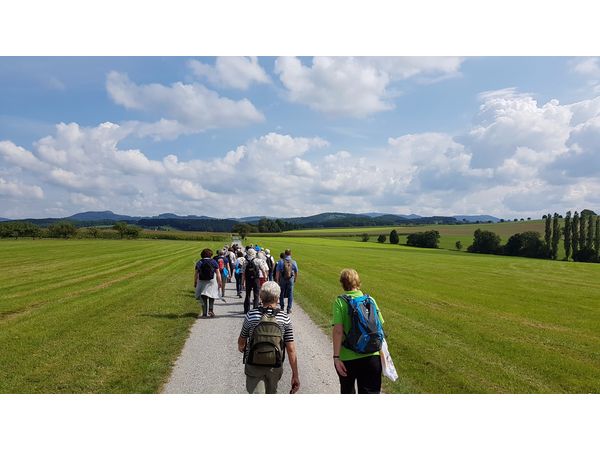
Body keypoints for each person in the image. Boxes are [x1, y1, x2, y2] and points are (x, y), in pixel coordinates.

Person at [237, 281, 300, 394]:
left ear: (261, 296)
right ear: (277, 297)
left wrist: (241, 347)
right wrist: (295, 374)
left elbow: (242, 339)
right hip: (274, 365)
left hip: (253, 364)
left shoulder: (251, 315)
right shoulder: (284, 318)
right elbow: (291, 349)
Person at [332, 268, 384, 394]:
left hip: (348, 357)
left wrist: (336, 357)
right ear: (358, 282)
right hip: (372, 355)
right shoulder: (370, 300)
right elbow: (379, 326)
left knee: (348, 391)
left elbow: (338, 331)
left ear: (343, 283)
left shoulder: (340, 302)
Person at [194, 248, 222, 318]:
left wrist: (195, 282)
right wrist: (219, 282)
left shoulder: (199, 262)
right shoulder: (213, 262)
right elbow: (218, 273)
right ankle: (211, 310)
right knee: (212, 295)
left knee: (203, 296)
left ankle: (204, 313)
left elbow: (196, 273)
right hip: (212, 281)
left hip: (202, 281)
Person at [275, 248, 299, 314]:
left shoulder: (281, 261)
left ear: (285, 254)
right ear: (290, 254)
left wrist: (277, 280)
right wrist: (295, 279)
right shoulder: (293, 262)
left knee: (282, 292)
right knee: (290, 293)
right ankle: (289, 309)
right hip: (290, 279)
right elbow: (296, 271)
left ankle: (282, 307)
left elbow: (277, 272)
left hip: (282, 279)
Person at [242, 248, 261, 314]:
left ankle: (246, 310)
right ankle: (255, 309)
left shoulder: (245, 261)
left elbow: (243, 273)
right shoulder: (257, 261)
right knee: (256, 294)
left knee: (247, 294)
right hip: (256, 279)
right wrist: (265, 277)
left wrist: (242, 282)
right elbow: (264, 270)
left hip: (248, 279)